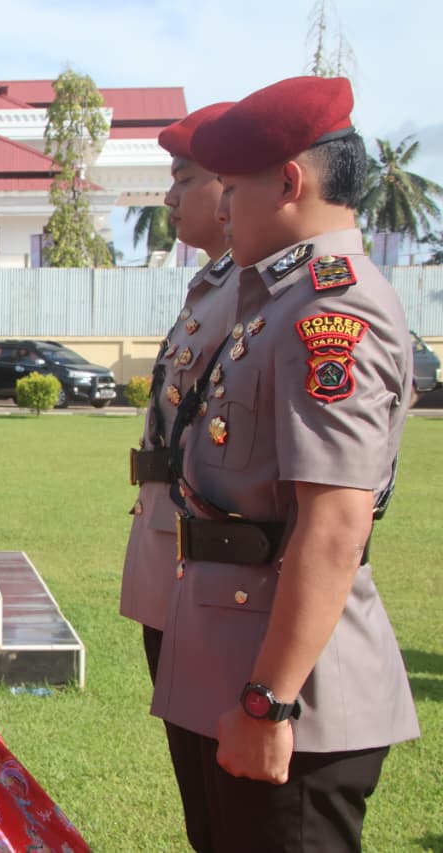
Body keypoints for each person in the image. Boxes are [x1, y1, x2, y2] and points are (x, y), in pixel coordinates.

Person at [150, 76, 419, 851]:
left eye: (233, 188)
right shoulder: (274, 298)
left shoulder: (331, 310)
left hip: (290, 689)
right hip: (232, 660)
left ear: (290, 183)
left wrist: (270, 701)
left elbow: (335, 526)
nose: (222, 207)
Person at [117, 102, 235, 853]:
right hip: (178, 553)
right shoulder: (212, 286)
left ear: (232, 190)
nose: (169, 196)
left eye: (183, 178)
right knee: (205, 801)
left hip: (219, 569)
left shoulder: (260, 291)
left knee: (229, 799)